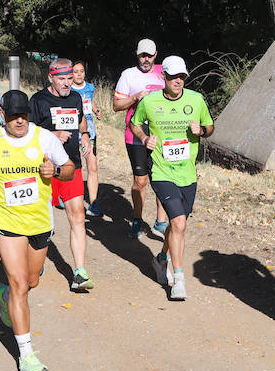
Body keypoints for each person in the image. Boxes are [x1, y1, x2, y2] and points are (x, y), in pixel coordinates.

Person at [0, 90, 74, 371]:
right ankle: (27, 355)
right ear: (2, 115)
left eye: (24, 115)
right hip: (7, 221)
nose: (19, 121)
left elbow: (69, 169)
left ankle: (2, 294)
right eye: (13, 115)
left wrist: (55, 170)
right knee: (19, 284)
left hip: (40, 222)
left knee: (31, 281)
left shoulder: (45, 138)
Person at [130, 56, 214, 300]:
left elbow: (210, 127)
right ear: (163, 77)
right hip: (161, 170)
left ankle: (160, 258)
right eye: (173, 77)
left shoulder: (196, 100)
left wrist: (202, 131)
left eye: (182, 77)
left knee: (179, 225)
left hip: (187, 173)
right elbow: (136, 124)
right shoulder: (149, 101)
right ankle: (178, 279)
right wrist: (145, 139)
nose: (178, 81)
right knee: (178, 223)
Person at [30, 58, 91, 291]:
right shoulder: (37, 100)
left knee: (77, 215)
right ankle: (37, 260)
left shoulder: (75, 98)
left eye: (69, 78)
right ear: (50, 78)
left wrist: (85, 136)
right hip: (44, 169)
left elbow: (80, 121)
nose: (67, 83)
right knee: (43, 223)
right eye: (62, 79)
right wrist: (51, 136)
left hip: (71, 167)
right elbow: (27, 134)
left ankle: (79, 271)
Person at [114, 38, 167, 238]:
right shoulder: (128, 75)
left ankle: (161, 222)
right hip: (135, 133)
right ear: (137, 54)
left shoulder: (164, 72)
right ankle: (137, 219)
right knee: (141, 181)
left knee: (163, 178)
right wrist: (135, 97)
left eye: (149, 55)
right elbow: (116, 105)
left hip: (161, 132)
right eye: (142, 55)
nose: (146, 59)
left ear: (156, 54)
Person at [70, 60, 102, 217]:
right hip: (71, 127)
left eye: (81, 71)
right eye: (75, 71)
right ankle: (66, 197)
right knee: (72, 165)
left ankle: (94, 203)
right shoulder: (67, 87)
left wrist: (97, 111)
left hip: (88, 129)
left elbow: (90, 102)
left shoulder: (90, 87)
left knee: (92, 165)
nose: (79, 74)